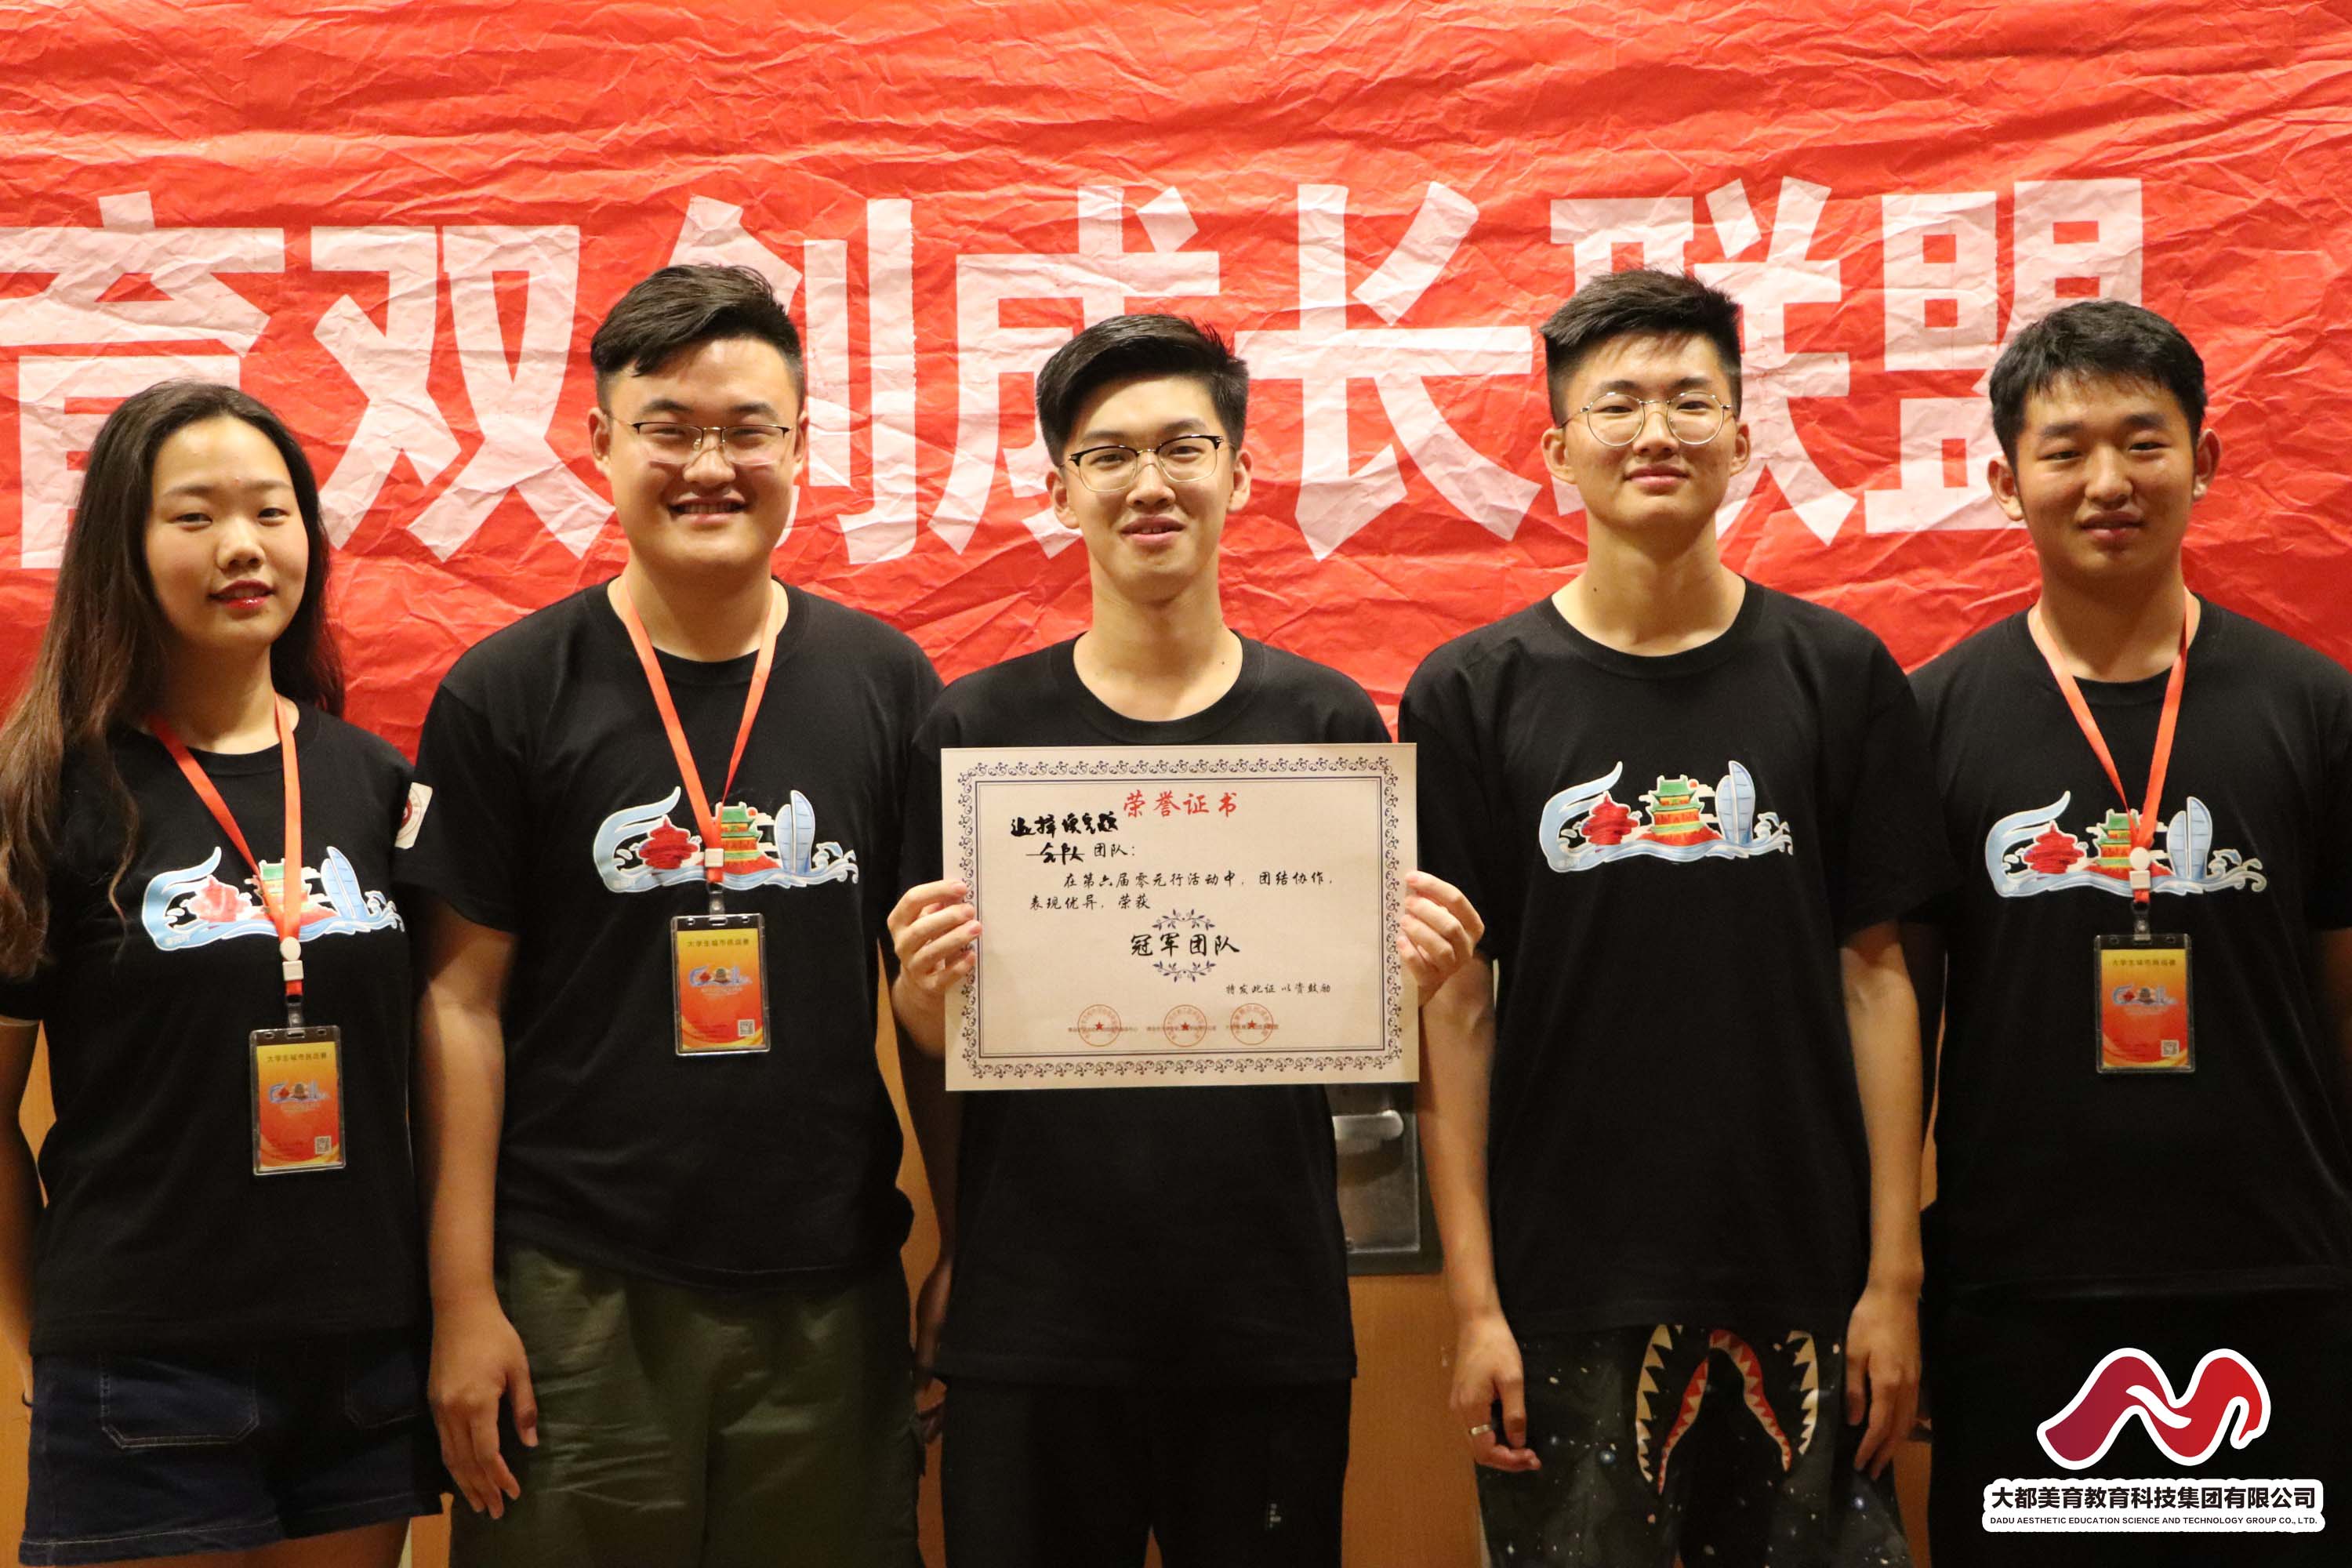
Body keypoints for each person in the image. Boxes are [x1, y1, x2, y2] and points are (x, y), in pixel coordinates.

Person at [887, 313, 1483, 1568]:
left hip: (1262, 1315)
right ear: (1061, 490)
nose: (1148, 484)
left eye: (1183, 448)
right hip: (1032, 1320)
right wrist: (927, 1005)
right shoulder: (973, 734)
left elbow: (1361, 1023)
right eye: (1108, 456)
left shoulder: (1325, 723)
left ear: (1241, 474)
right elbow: (931, 1040)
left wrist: (1410, 977)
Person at [1400, 267, 1950, 1566]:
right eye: (1619, 405)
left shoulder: (1839, 675)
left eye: (1692, 402)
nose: (1658, 432)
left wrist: (1892, 1279)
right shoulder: (1471, 693)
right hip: (1566, 1282)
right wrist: (1474, 1305)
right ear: (1558, 452)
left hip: (1806, 1271)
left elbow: (1878, 982)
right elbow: (1457, 1010)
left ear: (1745, 440)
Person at [401, 265, 941, 1566]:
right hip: (575, 1290)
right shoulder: (509, 690)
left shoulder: (885, 683)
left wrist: (966, 1241)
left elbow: (934, 1004)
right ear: (600, 443)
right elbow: (459, 1004)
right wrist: (462, 1299)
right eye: (669, 430)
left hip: (830, 1285)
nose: (710, 466)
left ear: (801, 446)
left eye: (748, 430)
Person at [1904, 299, 2352, 1567]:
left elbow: (2343, 1003)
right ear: (2007, 483)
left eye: (2144, 443)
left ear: (2203, 461)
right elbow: (1899, 1019)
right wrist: (1895, 1274)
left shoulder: (2315, 707)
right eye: (2066, 451)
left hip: (2274, 1274)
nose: (2109, 482)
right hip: (2020, 1286)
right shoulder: (1930, 720)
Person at [0, 383, 438, 1566]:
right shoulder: (49, 793)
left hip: (363, 1362)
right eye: (194, 517)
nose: (243, 546)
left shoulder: (377, 785)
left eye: (272, 512)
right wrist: (45, 1336)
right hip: (143, 1365)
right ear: (124, 548)